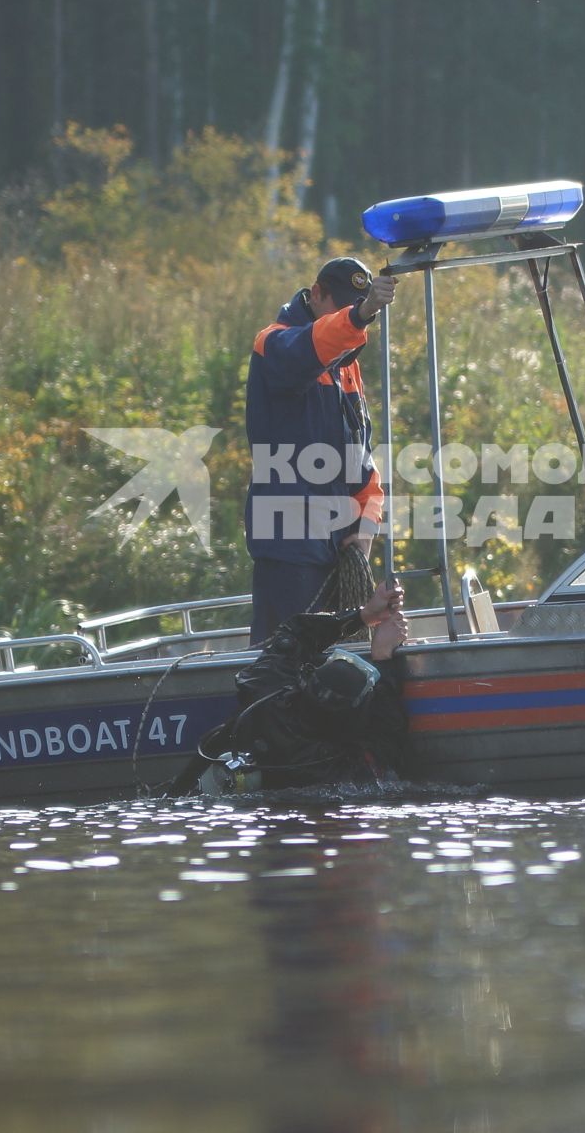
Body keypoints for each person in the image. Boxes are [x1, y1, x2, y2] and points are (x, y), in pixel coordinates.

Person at [245, 255, 399, 645]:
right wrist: (361, 314)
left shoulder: (345, 366)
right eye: (341, 305)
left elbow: (361, 460)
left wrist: (366, 527)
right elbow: (308, 348)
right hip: (289, 546)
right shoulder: (275, 343)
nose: (346, 317)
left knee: (338, 667)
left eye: (354, 307)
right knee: (286, 667)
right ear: (315, 294)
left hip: (334, 549)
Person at [183, 581, 412, 794]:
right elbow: (389, 738)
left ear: (306, 681)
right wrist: (383, 657)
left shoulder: (266, 692)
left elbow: (293, 634)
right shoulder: (334, 771)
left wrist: (363, 615)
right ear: (355, 720)